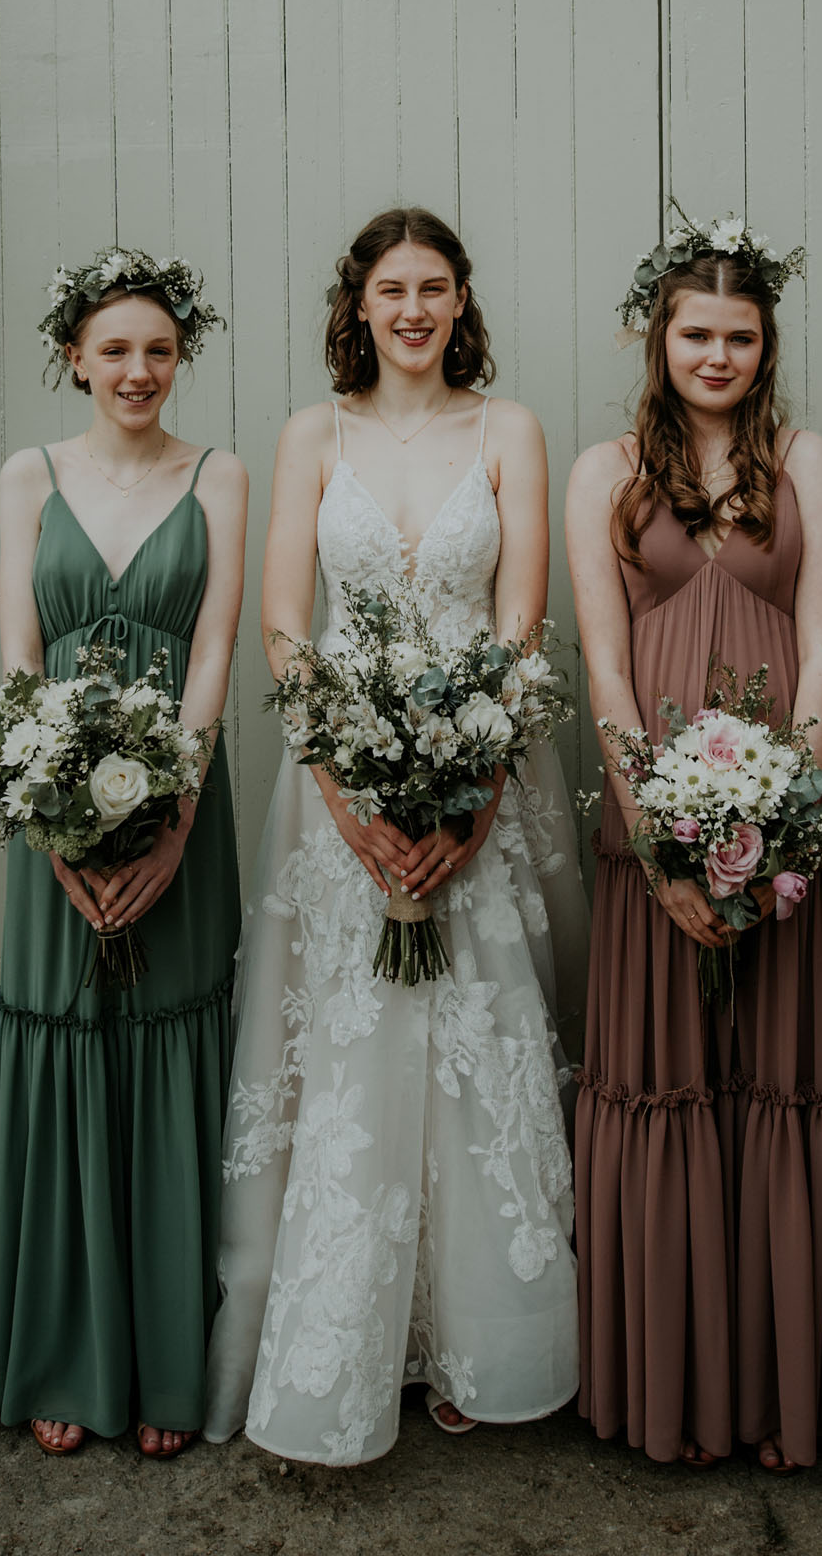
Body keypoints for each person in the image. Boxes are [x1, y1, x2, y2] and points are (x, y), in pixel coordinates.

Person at [203, 206, 587, 1466]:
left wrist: (474, 789)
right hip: (339, 792)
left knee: (477, 1044)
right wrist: (345, 789)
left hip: (484, 778)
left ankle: (478, 1338)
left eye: (433, 286)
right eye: (389, 287)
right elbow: (280, 621)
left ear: (460, 300)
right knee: (358, 1048)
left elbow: (521, 619)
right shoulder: (315, 433)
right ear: (356, 304)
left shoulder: (508, 428)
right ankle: (359, 1337)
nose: (411, 307)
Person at [568, 214, 822, 1473]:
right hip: (651, 805)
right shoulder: (606, 471)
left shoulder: (805, 459)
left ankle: (781, 1396)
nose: (717, 354)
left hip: (791, 805)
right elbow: (598, 658)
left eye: (739, 335)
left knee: (785, 1085)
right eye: (695, 332)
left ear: (766, 345)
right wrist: (653, 828)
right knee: (675, 1082)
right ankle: (675, 1391)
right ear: (659, 338)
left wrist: (785, 812)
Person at [0, 250, 246, 1458]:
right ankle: (65, 1357)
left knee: (168, 1044)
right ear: (74, 356)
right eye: (114, 349)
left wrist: (176, 819)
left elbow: (213, 662)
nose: (137, 370)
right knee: (71, 1038)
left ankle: (165, 1368)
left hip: (182, 803)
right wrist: (52, 828)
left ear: (178, 356)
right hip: (55, 806)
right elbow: (18, 668)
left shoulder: (221, 475)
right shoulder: (27, 476)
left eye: (157, 349)